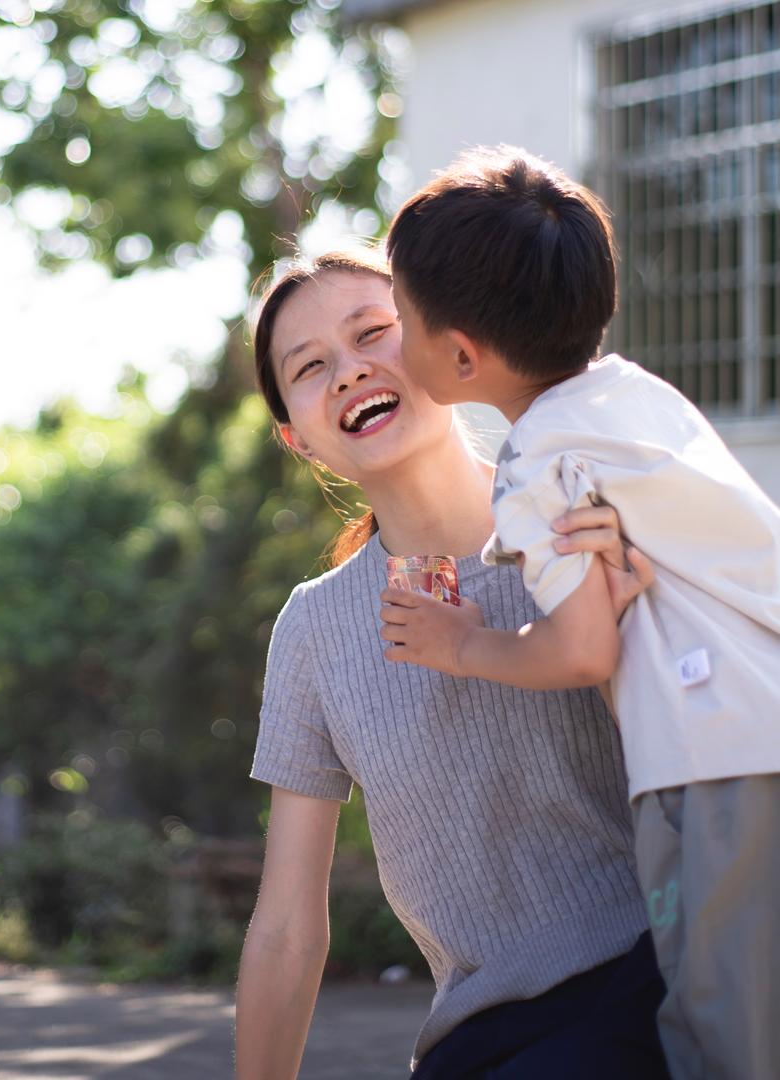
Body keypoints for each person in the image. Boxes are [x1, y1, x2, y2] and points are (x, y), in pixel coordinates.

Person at [381, 146, 780, 1080]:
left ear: (462, 355)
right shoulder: (640, 399)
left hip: (717, 765)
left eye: (397, 321)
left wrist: (465, 642)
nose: (393, 344)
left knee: (722, 1040)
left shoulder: (538, 462)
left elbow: (580, 644)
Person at [235, 251, 670, 1079]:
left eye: (373, 333)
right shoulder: (315, 630)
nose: (349, 369)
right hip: (477, 1039)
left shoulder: (578, 510)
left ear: (445, 348)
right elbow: (288, 922)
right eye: (311, 366)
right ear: (298, 438)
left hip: (656, 982)